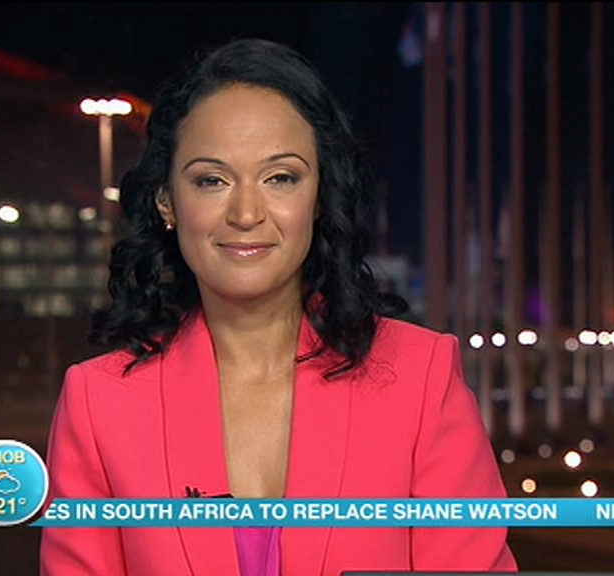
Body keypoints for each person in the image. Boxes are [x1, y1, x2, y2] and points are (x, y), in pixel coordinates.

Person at [41, 38, 517, 575]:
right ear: (167, 201)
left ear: (320, 197)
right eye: (212, 180)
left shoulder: (420, 379)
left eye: (280, 178)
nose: (246, 213)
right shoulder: (99, 402)